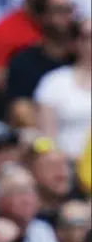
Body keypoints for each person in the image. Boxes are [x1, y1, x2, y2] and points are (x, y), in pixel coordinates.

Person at [34, 18, 92, 161]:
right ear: (76, 42)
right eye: (88, 37)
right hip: (68, 166)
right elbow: (47, 137)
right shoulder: (54, 82)